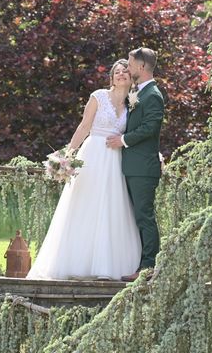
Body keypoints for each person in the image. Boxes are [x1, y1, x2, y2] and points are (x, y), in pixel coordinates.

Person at [26, 60, 141, 281]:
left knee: (112, 206)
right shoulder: (98, 96)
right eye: (116, 72)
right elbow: (84, 126)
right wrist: (68, 154)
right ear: (111, 78)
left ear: (131, 77)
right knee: (85, 204)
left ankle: (108, 265)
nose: (121, 74)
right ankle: (75, 261)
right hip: (93, 154)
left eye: (125, 71)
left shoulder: (132, 105)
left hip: (116, 159)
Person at [106, 47, 164, 282]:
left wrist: (123, 140)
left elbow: (150, 128)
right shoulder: (138, 92)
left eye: (129, 65)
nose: (127, 69)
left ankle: (149, 267)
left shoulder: (153, 95)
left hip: (143, 169)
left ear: (141, 66)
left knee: (144, 216)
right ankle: (139, 263)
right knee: (136, 217)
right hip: (132, 166)